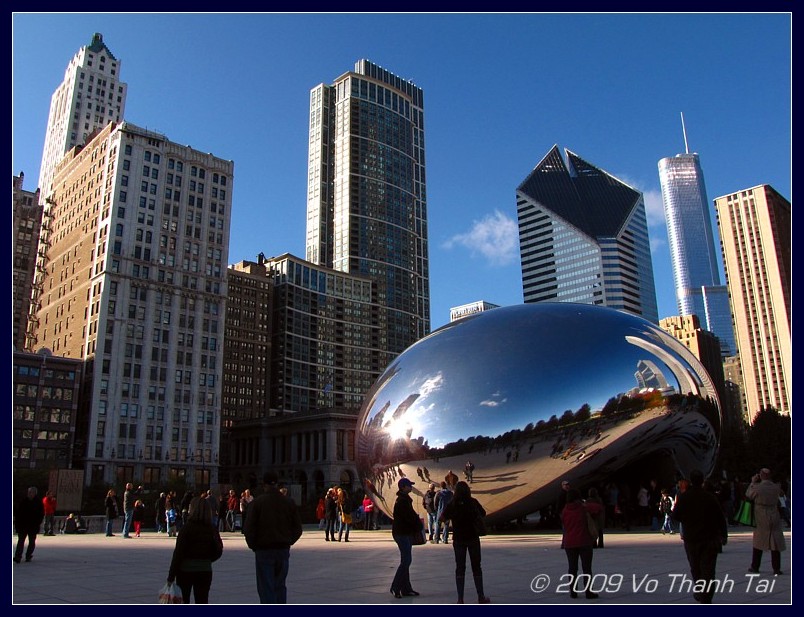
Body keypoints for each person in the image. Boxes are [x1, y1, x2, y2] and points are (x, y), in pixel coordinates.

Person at [243, 471, 303, 604]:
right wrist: (288, 541)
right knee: (280, 586)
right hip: (282, 550)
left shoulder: (257, 503)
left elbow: (248, 529)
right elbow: (298, 528)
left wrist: (255, 546)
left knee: (266, 588)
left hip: (264, 550)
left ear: (263, 484)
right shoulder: (288, 502)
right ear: (277, 484)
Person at [671, 469, 728, 604]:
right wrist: (724, 535)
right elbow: (720, 517)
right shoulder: (710, 497)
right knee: (708, 569)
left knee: (695, 567)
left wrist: (688, 519)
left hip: (692, 538)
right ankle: (706, 596)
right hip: (709, 538)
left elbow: (675, 516)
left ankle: (700, 590)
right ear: (702, 480)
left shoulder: (684, 497)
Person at [440, 481, 491, 604]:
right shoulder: (473, 502)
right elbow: (483, 513)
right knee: (476, 567)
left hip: (458, 539)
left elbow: (442, 518)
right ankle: (480, 596)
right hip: (472, 537)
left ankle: (460, 598)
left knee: (460, 568)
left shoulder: (452, 504)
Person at [166, 496, 224, 604]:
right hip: (204, 569)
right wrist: (207, 560)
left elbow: (178, 553)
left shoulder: (186, 528)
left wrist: (171, 576)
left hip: (185, 570)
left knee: (184, 600)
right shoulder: (211, 528)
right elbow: (218, 549)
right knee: (202, 600)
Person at [560, 488, 602, 599]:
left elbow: (563, 522)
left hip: (569, 542)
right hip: (584, 541)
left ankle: (573, 592)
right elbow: (598, 508)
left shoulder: (565, 510)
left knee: (572, 568)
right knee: (586, 568)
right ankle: (588, 591)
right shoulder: (583, 508)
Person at [745, 468, 786, 575]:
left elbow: (748, 494)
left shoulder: (757, 488)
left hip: (761, 514)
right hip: (774, 513)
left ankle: (755, 566)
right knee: (775, 542)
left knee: (759, 541)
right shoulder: (775, 487)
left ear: (761, 475)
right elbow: (781, 494)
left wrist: (753, 482)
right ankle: (776, 568)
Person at [390, 478, 423, 598]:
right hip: (402, 533)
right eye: (409, 485)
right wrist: (418, 525)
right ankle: (395, 587)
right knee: (406, 561)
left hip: (404, 532)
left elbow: (411, 516)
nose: (411, 487)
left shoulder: (405, 500)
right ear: (403, 487)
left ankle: (406, 589)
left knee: (406, 560)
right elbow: (409, 517)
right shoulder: (402, 501)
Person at [14, 487, 45, 563]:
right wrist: (17, 524)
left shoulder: (38, 503)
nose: (30, 494)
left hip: (33, 526)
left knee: (31, 542)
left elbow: (41, 514)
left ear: (35, 493)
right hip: (23, 525)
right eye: (29, 492)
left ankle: (28, 555)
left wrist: (38, 523)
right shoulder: (23, 501)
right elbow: (18, 513)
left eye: (31, 492)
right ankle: (18, 557)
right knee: (21, 541)